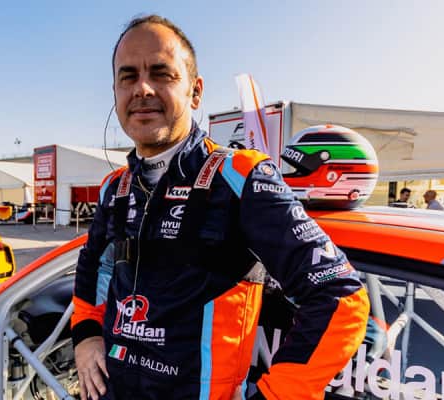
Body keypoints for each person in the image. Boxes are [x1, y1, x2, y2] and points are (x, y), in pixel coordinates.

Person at [71, 15, 369, 400]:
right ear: (115, 92)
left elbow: (341, 297)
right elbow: (92, 266)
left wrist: (277, 395)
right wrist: (86, 334)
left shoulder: (240, 177)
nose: (142, 88)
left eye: (161, 73)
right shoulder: (116, 187)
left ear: (195, 92)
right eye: (128, 77)